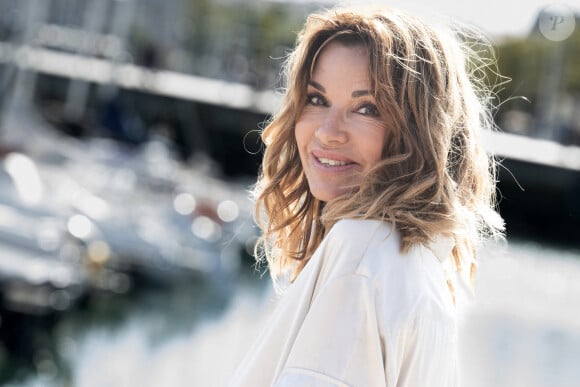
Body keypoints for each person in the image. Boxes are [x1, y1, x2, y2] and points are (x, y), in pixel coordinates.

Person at [229, 5, 504, 387]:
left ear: (419, 132)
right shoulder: (417, 267)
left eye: (366, 108)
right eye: (316, 99)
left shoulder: (361, 254)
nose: (328, 132)